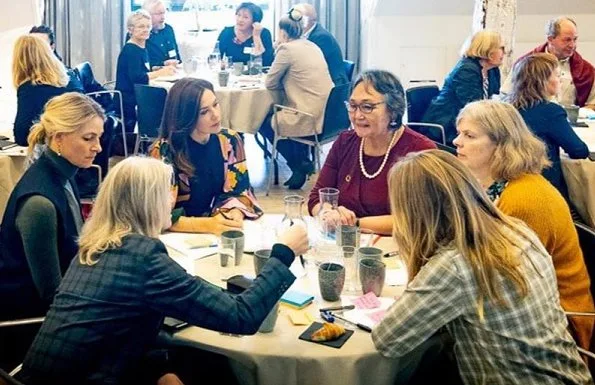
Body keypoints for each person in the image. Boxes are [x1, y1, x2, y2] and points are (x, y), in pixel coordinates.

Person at [16, 156, 309, 385]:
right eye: (167, 191)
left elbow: (119, 326)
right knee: (218, 366)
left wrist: (160, 367)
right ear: (148, 202)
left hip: (38, 376)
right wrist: (283, 253)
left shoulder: (94, 247)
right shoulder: (144, 258)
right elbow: (242, 317)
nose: (173, 198)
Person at [372, 149, 591, 384]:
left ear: (414, 214)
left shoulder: (455, 265)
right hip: (569, 374)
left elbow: (388, 339)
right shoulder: (515, 228)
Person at [453, 100, 594, 350]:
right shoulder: (493, 184)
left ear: (501, 145)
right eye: (459, 132)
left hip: (556, 328)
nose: (456, 141)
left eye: (469, 135)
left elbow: (506, 284)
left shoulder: (525, 198)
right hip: (522, 308)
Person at [0, 93, 104, 369]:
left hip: (53, 304)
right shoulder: (39, 205)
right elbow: (52, 297)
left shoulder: (62, 175)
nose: (99, 148)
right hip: (27, 325)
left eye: (98, 137)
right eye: (88, 138)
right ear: (58, 138)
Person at [308, 70, 436, 235]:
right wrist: (326, 212)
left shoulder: (420, 150)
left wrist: (354, 223)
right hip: (347, 243)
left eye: (367, 107)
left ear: (393, 109)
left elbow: (419, 219)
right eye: (353, 106)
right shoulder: (345, 142)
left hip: (400, 249)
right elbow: (316, 198)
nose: (357, 115)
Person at [150, 78, 262, 235]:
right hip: (177, 237)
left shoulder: (230, 140)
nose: (216, 115)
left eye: (216, 104)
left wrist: (235, 212)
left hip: (218, 231)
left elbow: (241, 191)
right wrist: (207, 225)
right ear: (186, 116)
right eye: (204, 112)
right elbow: (156, 214)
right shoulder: (164, 151)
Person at [260, 8, 333, 190]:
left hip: (307, 115)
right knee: (282, 113)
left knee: (261, 121)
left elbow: (270, 82)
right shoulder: (312, 45)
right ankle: (302, 161)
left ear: (283, 32)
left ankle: (298, 164)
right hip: (327, 113)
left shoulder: (287, 49)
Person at [505, 53, 589, 201]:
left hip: (510, 182)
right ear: (543, 81)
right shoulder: (550, 112)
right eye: (557, 75)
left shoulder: (506, 108)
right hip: (543, 186)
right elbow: (578, 150)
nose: (561, 80)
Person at [422, 30, 503, 145]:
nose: (505, 53)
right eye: (501, 48)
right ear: (487, 49)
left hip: (469, 122)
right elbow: (473, 106)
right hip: (448, 125)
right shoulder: (467, 69)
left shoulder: (493, 70)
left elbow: (494, 99)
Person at [502, 17, 595, 109]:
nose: (572, 45)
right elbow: (506, 96)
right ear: (550, 39)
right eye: (567, 40)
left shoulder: (586, 70)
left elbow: (592, 103)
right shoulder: (525, 65)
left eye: (575, 39)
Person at [12, 34, 82, 146]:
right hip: (81, 138)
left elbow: (21, 137)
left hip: (58, 147)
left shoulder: (29, 88)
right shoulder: (70, 77)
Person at [115, 10, 175, 133]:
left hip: (138, 93)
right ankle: (155, 136)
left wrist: (159, 68)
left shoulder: (141, 46)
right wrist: (160, 73)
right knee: (169, 102)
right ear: (130, 30)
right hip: (129, 98)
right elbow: (138, 78)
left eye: (148, 26)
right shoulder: (131, 50)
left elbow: (143, 68)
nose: (146, 30)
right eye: (141, 27)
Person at [293, 3, 348, 85]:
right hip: (318, 80)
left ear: (305, 20)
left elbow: (307, 65)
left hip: (333, 84)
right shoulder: (307, 34)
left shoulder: (321, 37)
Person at [217, 2, 274, 66]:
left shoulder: (264, 33)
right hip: (233, 73)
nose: (240, 20)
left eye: (245, 17)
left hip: (256, 74)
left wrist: (256, 36)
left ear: (255, 20)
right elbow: (216, 57)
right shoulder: (227, 32)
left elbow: (267, 62)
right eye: (238, 15)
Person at [142, 0, 181, 69]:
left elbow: (177, 56)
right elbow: (139, 64)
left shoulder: (168, 29)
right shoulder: (140, 33)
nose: (163, 17)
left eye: (163, 13)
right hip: (152, 75)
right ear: (147, 15)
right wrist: (163, 64)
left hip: (173, 73)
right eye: (158, 14)